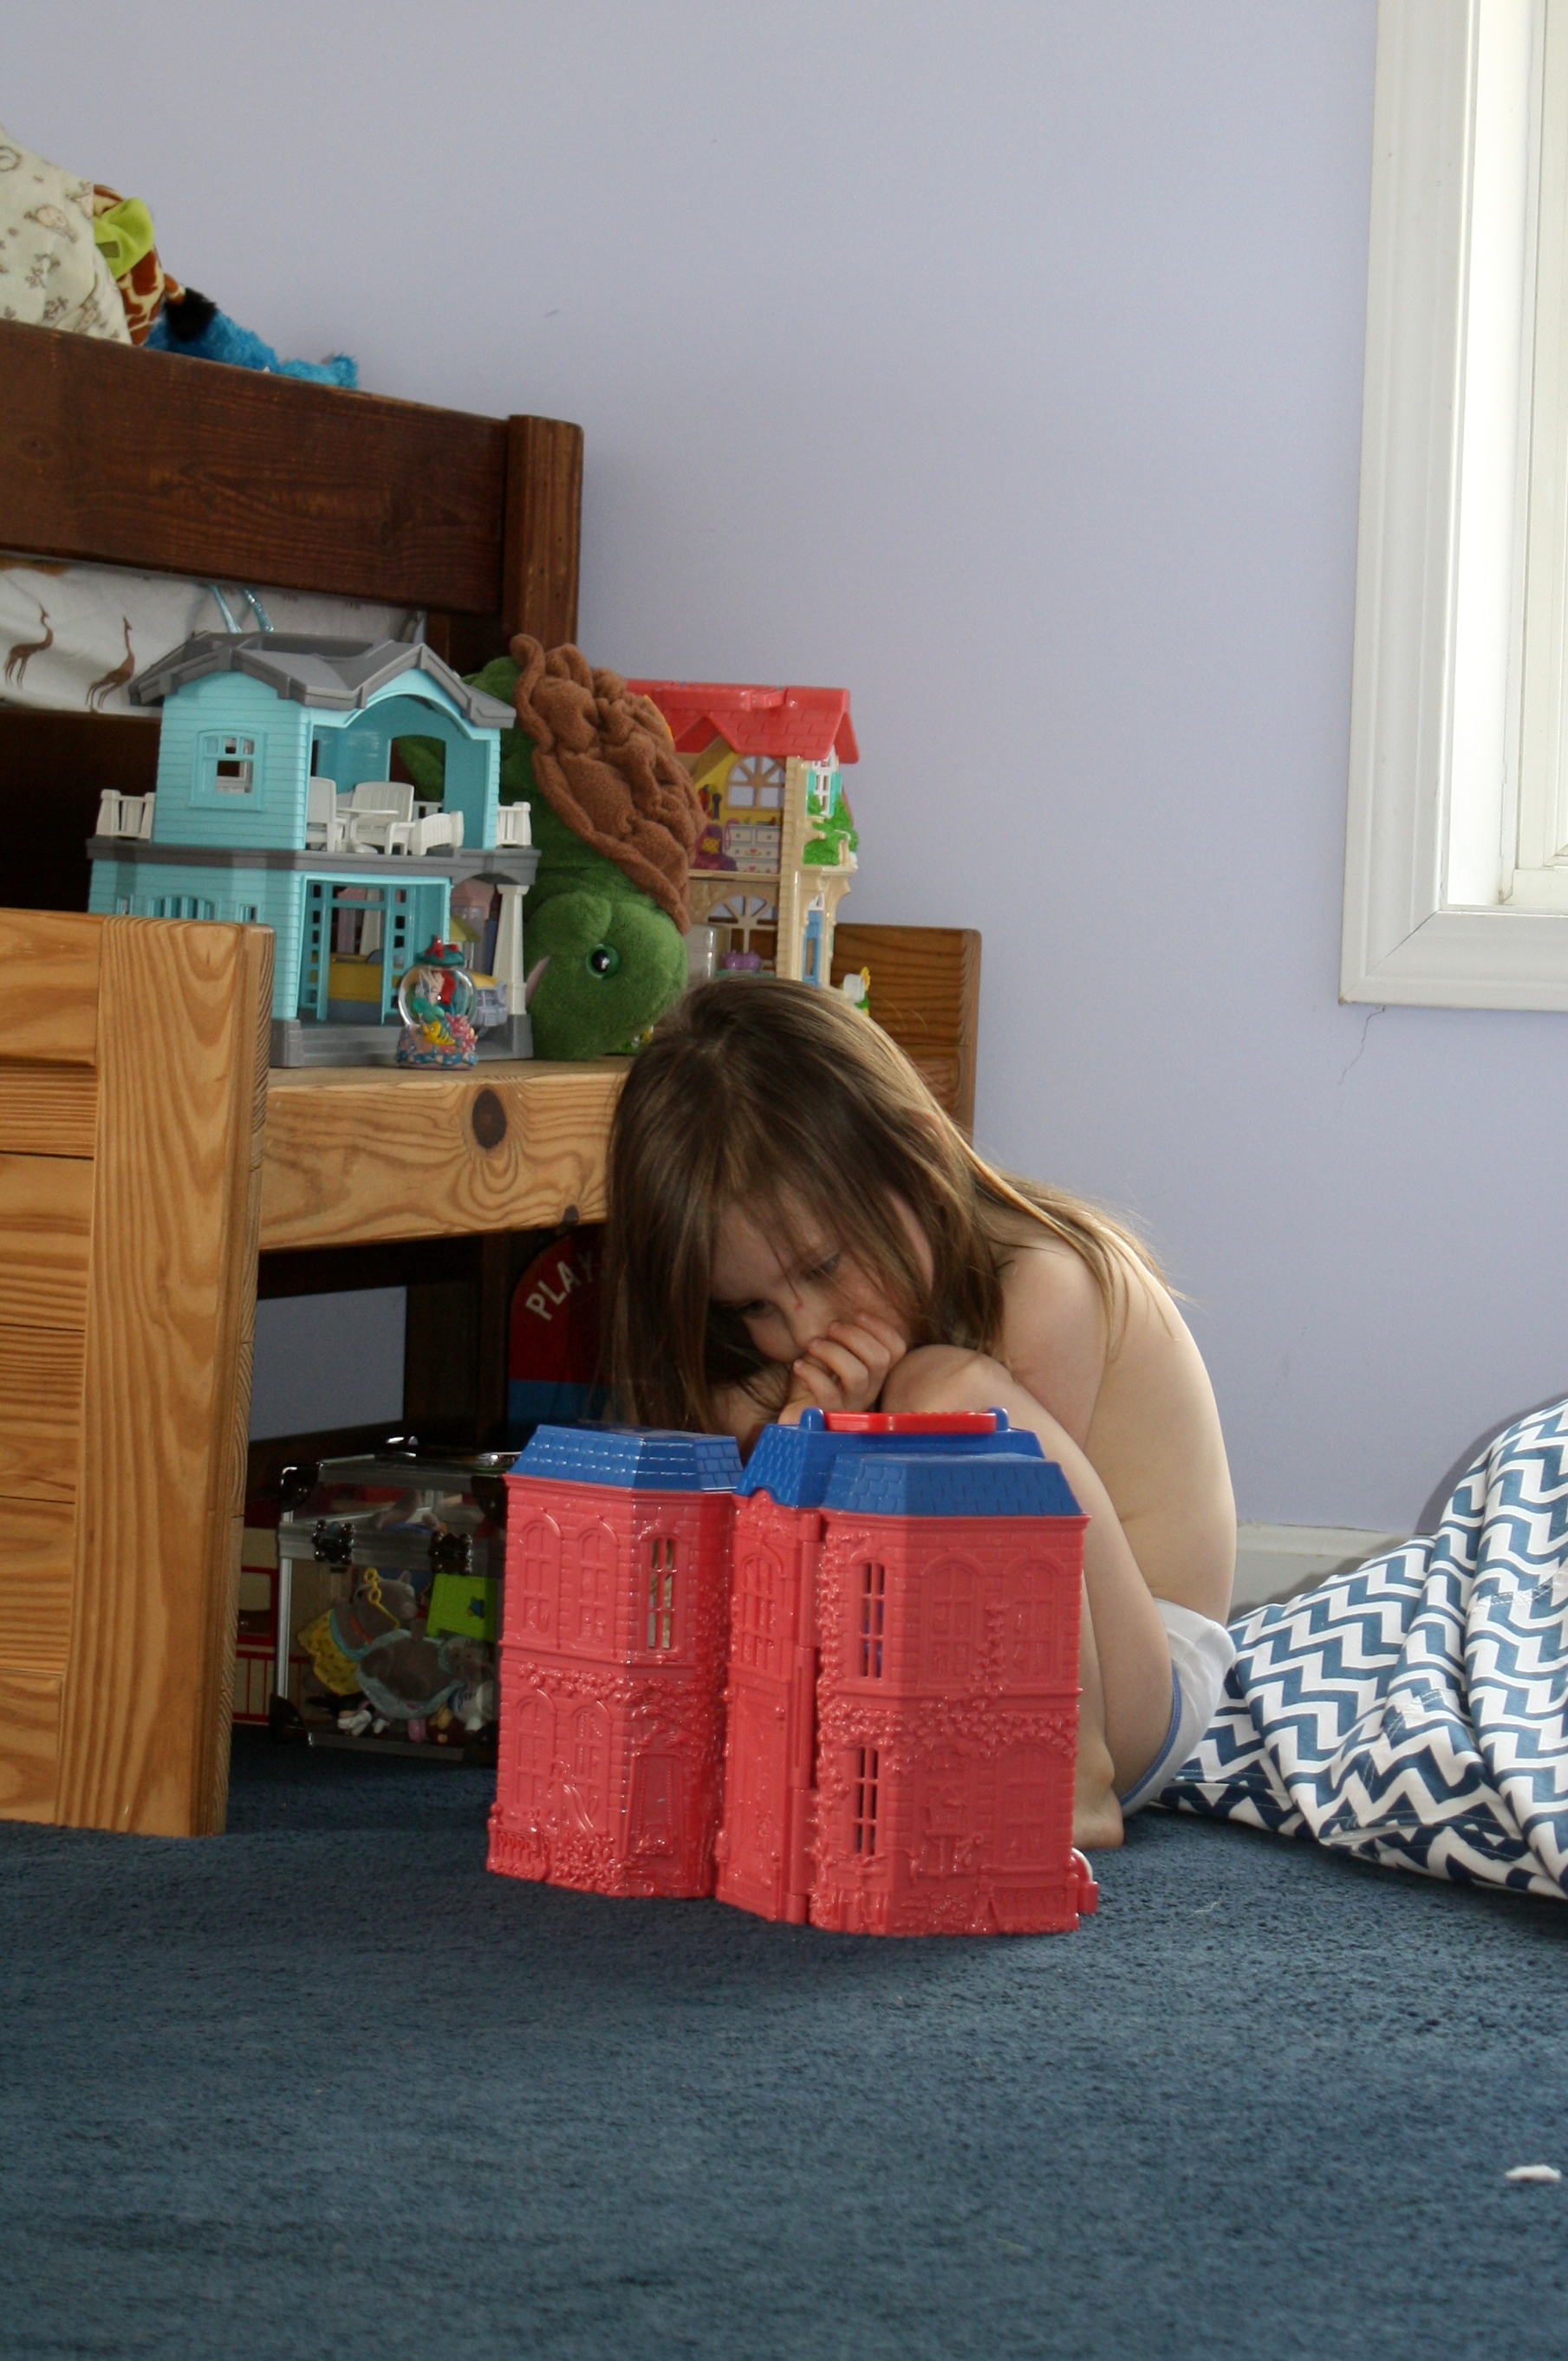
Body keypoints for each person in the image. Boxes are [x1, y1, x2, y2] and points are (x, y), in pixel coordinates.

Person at [602, 977, 1236, 1848]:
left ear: (915, 1152)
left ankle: (1072, 1786)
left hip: (1129, 1684)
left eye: (823, 1267)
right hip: (966, 1678)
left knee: (945, 1400)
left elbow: (1000, 1576)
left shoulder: (1043, 1291)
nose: (805, 1329)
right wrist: (793, 1434)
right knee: (748, 1416)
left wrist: (831, 1449)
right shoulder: (816, 1337)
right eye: (753, 1306)